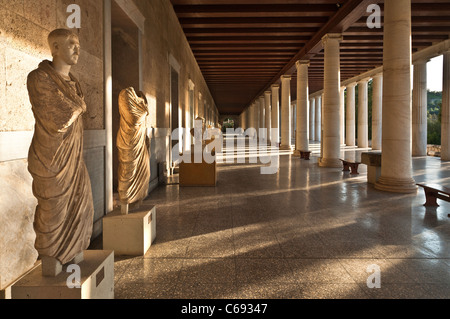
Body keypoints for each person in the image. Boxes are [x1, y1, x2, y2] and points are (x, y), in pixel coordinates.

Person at [27, 29, 94, 276]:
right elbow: (58, 119)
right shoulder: (39, 78)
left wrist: (77, 103)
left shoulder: (73, 83)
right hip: (51, 159)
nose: (77, 49)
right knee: (53, 211)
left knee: (82, 204)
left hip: (74, 160)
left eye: (78, 44)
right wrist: (78, 105)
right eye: (71, 44)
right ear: (55, 48)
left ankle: (73, 247)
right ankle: (51, 255)